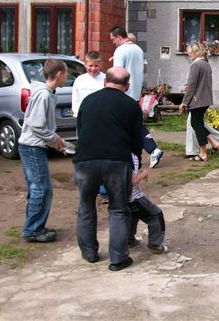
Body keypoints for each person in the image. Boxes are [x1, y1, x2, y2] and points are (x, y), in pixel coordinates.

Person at [73, 67, 144, 271]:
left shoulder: (88, 101)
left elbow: (80, 129)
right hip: (116, 161)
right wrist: (136, 166)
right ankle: (118, 259)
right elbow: (136, 141)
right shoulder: (131, 105)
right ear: (127, 86)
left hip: (85, 159)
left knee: (86, 205)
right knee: (118, 208)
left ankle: (89, 252)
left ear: (105, 82)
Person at [18, 59, 68, 242]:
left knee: (37, 189)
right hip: (32, 147)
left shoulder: (46, 93)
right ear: (59, 74)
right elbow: (37, 125)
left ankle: (34, 226)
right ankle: (33, 230)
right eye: (66, 73)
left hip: (32, 146)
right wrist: (54, 139)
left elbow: (41, 125)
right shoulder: (44, 95)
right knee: (42, 189)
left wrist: (56, 142)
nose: (67, 77)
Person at [110, 26, 163, 168]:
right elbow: (143, 68)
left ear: (119, 37)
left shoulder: (120, 50)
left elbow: (117, 74)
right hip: (135, 93)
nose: (113, 42)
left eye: (113, 39)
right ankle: (151, 150)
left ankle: (149, 151)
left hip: (123, 93)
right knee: (134, 124)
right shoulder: (138, 49)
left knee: (126, 125)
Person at [72, 51, 110, 203]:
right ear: (85, 64)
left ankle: (104, 188)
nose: (93, 69)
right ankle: (88, 184)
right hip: (85, 122)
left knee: (103, 155)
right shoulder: (80, 81)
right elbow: (75, 103)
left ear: (101, 64)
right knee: (88, 155)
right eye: (90, 66)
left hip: (102, 123)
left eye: (96, 66)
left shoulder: (105, 79)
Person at [179, 43, 214, 162]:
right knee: (198, 123)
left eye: (190, 53)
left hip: (197, 100)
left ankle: (203, 153)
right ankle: (215, 143)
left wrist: (184, 102)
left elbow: (191, 86)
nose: (189, 55)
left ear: (196, 52)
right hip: (206, 99)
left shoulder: (195, 65)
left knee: (196, 125)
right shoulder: (206, 64)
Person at [127, 153, 167, 253]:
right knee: (156, 215)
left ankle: (129, 240)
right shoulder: (132, 156)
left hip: (120, 197)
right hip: (134, 197)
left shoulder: (116, 154)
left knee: (132, 215)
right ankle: (155, 244)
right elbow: (133, 181)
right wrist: (144, 173)